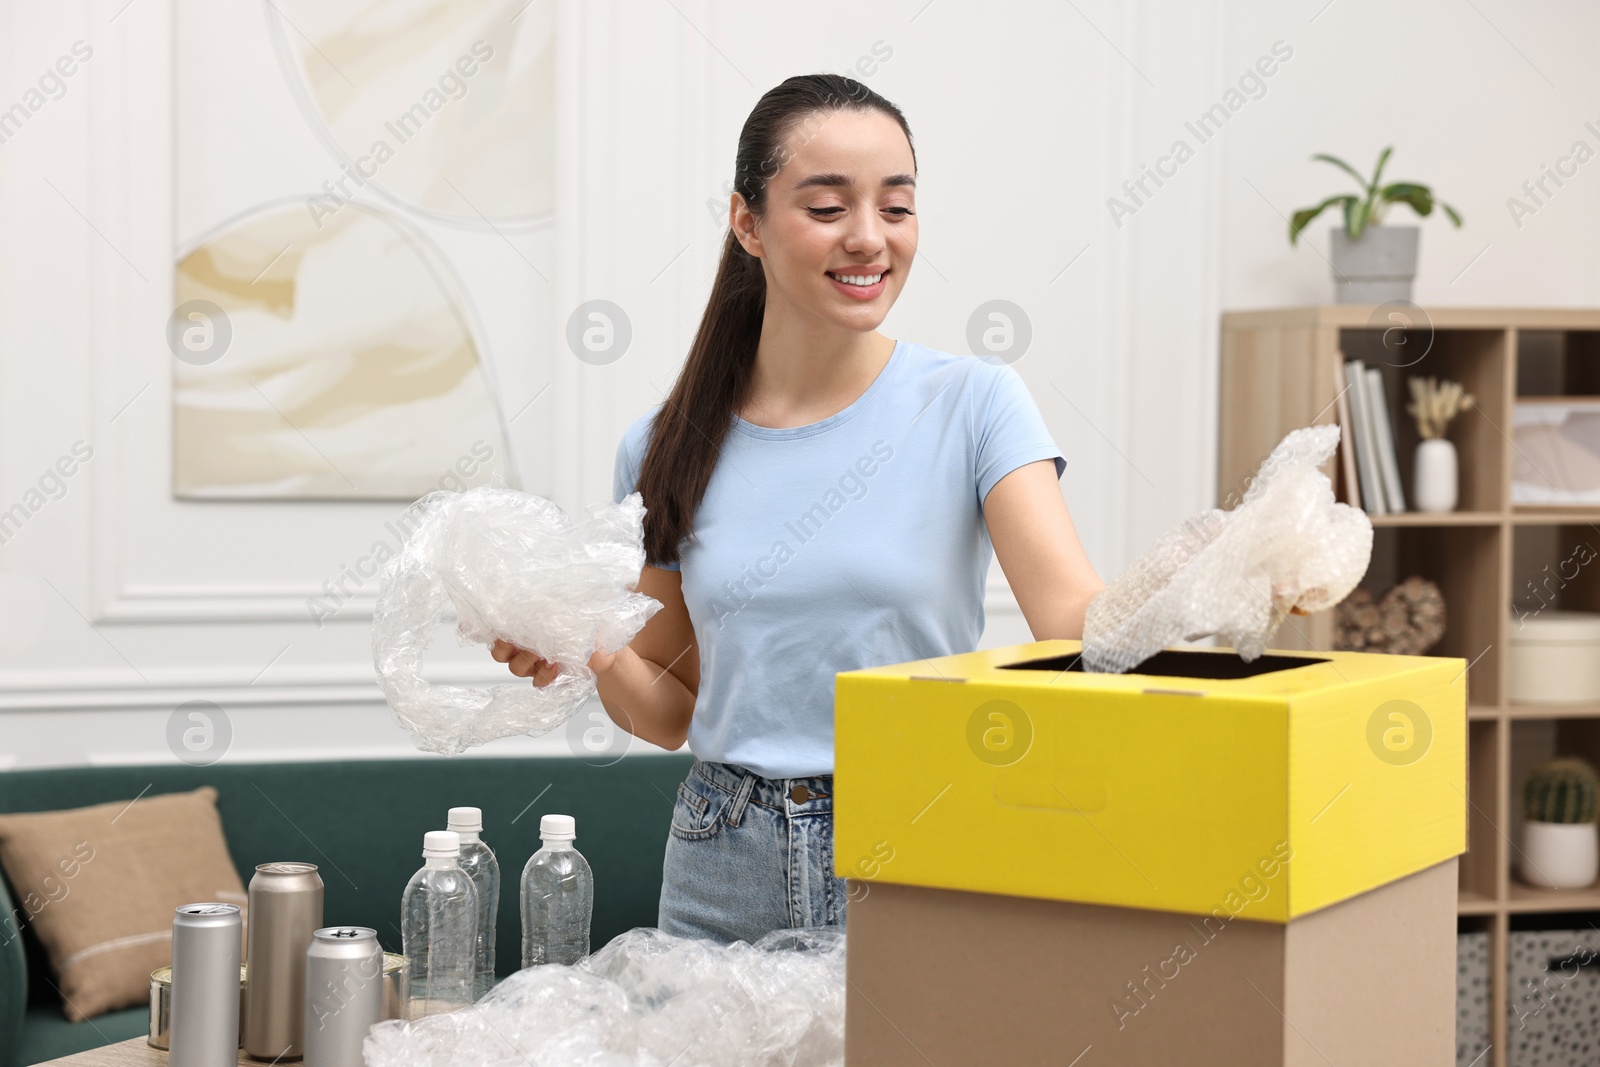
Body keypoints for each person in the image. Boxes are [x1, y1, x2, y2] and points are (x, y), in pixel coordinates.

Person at [492, 73, 1105, 945]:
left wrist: (1217, 585)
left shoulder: (975, 404)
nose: (868, 238)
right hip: (720, 856)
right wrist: (576, 633)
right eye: (827, 208)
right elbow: (668, 710)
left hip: (916, 834)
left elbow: (1076, 619)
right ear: (747, 223)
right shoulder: (666, 442)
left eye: (896, 208)